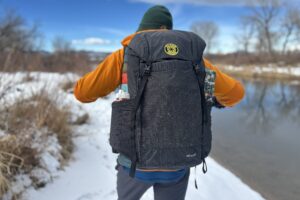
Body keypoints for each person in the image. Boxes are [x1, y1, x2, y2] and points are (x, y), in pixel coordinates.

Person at [74, 5, 244, 200]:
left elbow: (82, 93)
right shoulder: (196, 62)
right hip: (179, 164)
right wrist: (213, 98)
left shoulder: (125, 56)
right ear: (166, 29)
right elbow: (236, 94)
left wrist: (121, 82)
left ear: (142, 29)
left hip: (134, 164)